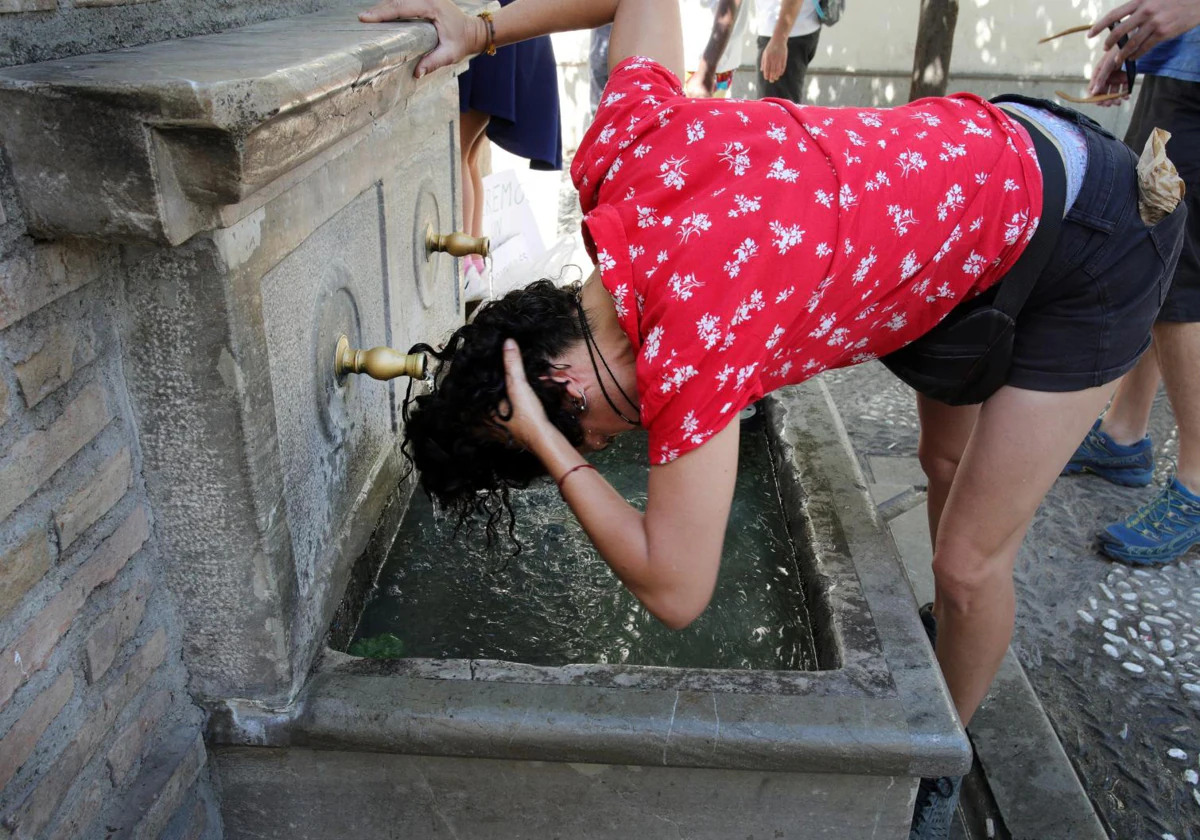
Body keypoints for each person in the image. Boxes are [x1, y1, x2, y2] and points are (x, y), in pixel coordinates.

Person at [357, 0, 1186, 835]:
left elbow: (678, 589)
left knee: (970, 563)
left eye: (582, 433)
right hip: (980, 196)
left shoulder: (693, 345)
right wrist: (484, 29)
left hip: (1095, 234)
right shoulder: (624, 156)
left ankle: (939, 756)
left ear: (547, 380)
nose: (606, 443)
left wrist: (544, 439)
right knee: (943, 471)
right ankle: (949, 635)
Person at [1061, 0, 1200, 565]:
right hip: (1176, 69)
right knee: (1152, 256)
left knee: (1184, 280)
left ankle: (1196, 484)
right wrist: (1137, 47)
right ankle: (1124, 434)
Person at [457, 0, 563, 293]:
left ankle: (464, 264)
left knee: (458, 156)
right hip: (506, 33)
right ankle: (473, 259)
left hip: (494, 34)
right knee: (467, 157)